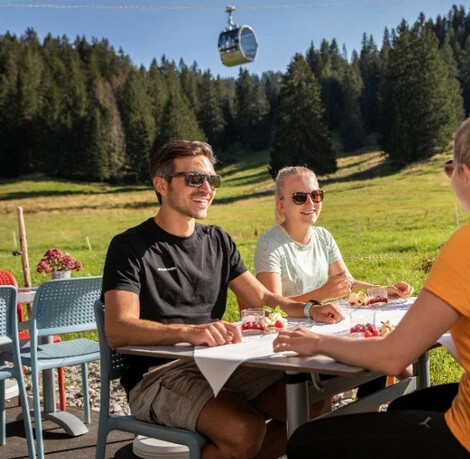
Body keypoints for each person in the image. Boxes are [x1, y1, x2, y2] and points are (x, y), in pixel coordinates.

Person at [274, 107, 470, 459]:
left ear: (467, 175)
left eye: (451, 169)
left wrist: (316, 343)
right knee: (404, 407)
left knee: (305, 440)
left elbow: (393, 357)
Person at [102, 140, 344, 459]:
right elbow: (119, 329)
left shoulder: (217, 240)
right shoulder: (130, 247)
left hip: (218, 362)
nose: (206, 188)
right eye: (194, 179)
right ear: (161, 184)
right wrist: (190, 332)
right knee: (245, 430)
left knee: (313, 405)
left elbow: (262, 296)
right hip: (158, 374)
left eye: (211, 180)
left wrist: (311, 309)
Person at [254, 165, 413, 303]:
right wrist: (322, 294)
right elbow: (270, 306)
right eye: (299, 197)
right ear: (281, 205)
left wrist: (385, 290)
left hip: (322, 320)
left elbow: (349, 284)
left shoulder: (323, 237)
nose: (310, 203)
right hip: (289, 327)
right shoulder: (269, 245)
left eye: (315, 195)